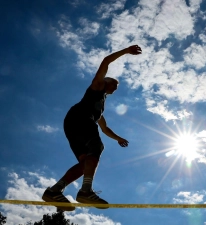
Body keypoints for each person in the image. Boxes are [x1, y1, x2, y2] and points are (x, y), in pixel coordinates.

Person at [42, 45, 142, 211]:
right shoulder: (97, 86)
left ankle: (54, 191)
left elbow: (104, 128)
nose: (115, 88)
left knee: (85, 164)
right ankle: (86, 191)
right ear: (106, 81)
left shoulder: (98, 109)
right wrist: (126, 51)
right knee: (97, 146)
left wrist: (119, 139)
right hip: (79, 119)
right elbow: (106, 61)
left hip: (75, 126)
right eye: (114, 84)